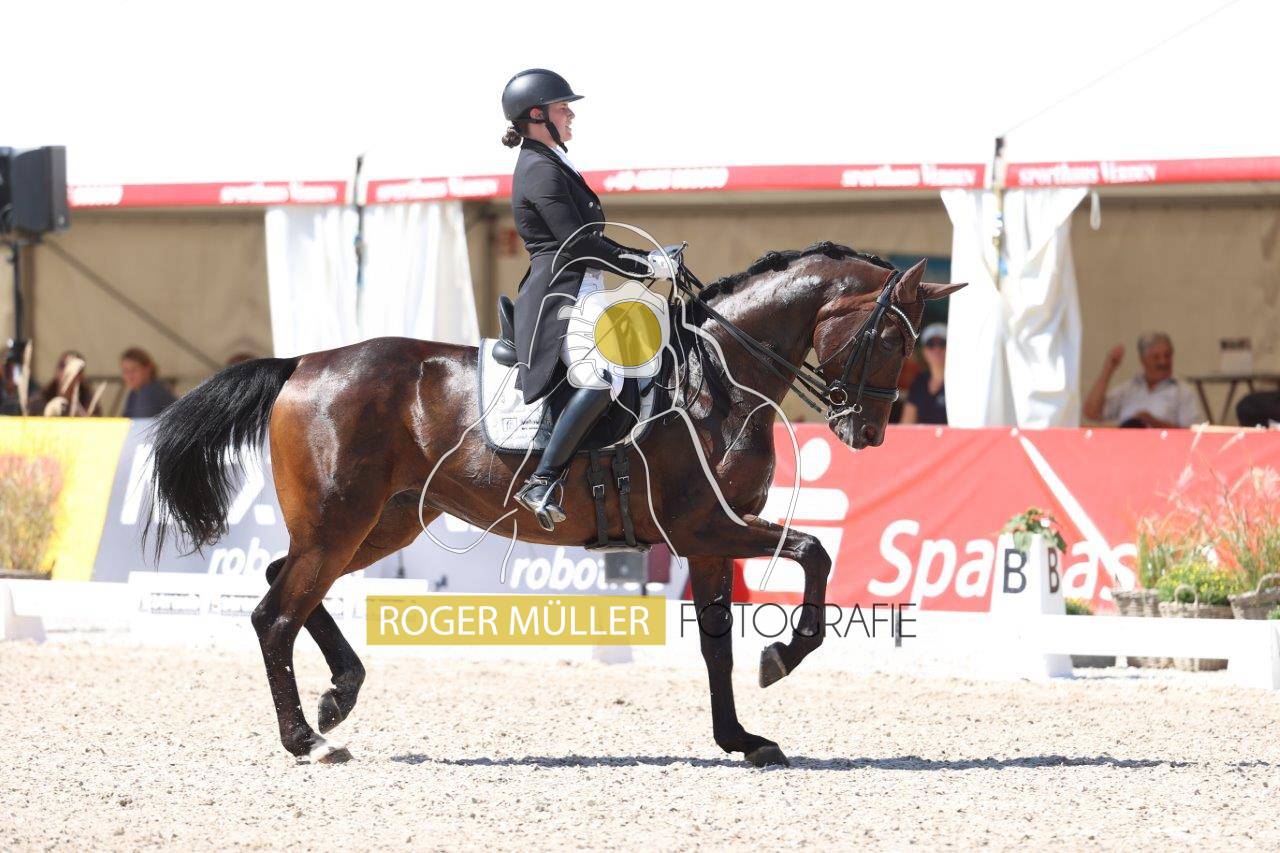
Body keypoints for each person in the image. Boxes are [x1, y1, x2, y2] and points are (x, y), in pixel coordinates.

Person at [500, 68, 677, 530]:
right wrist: (646, 264)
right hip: (559, 294)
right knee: (600, 378)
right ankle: (542, 481)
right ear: (537, 116)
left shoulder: (554, 161)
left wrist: (648, 261)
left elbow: (589, 241)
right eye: (563, 108)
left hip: (585, 289)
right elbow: (577, 242)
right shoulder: (539, 168)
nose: (571, 114)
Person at [1083, 331, 1199, 428]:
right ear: (1143, 360)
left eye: (1167, 355)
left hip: (1164, 448)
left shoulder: (1182, 392)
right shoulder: (1128, 389)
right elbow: (1091, 413)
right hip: (1126, 446)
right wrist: (1108, 369)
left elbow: (1191, 435)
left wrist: (1153, 422)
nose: (1163, 362)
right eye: (1156, 357)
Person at [901, 323, 948, 425]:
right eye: (931, 344)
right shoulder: (919, 382)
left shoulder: (960, 383)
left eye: (942, 344)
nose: (937, 349)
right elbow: (907, 424)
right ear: (924, 352)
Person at [120, 347, 177, 418]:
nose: (130, 376)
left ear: (148, 369)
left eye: (134, 370)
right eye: (125, 371)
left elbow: (141, 422)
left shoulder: (152, 391)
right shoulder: (134, 393)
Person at [39, 350, 93, 416]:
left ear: (82, 376)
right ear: (57, 371)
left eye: (77, 371)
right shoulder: (43, 398)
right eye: (63, 366)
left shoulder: (89, 402)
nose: (67, 372)